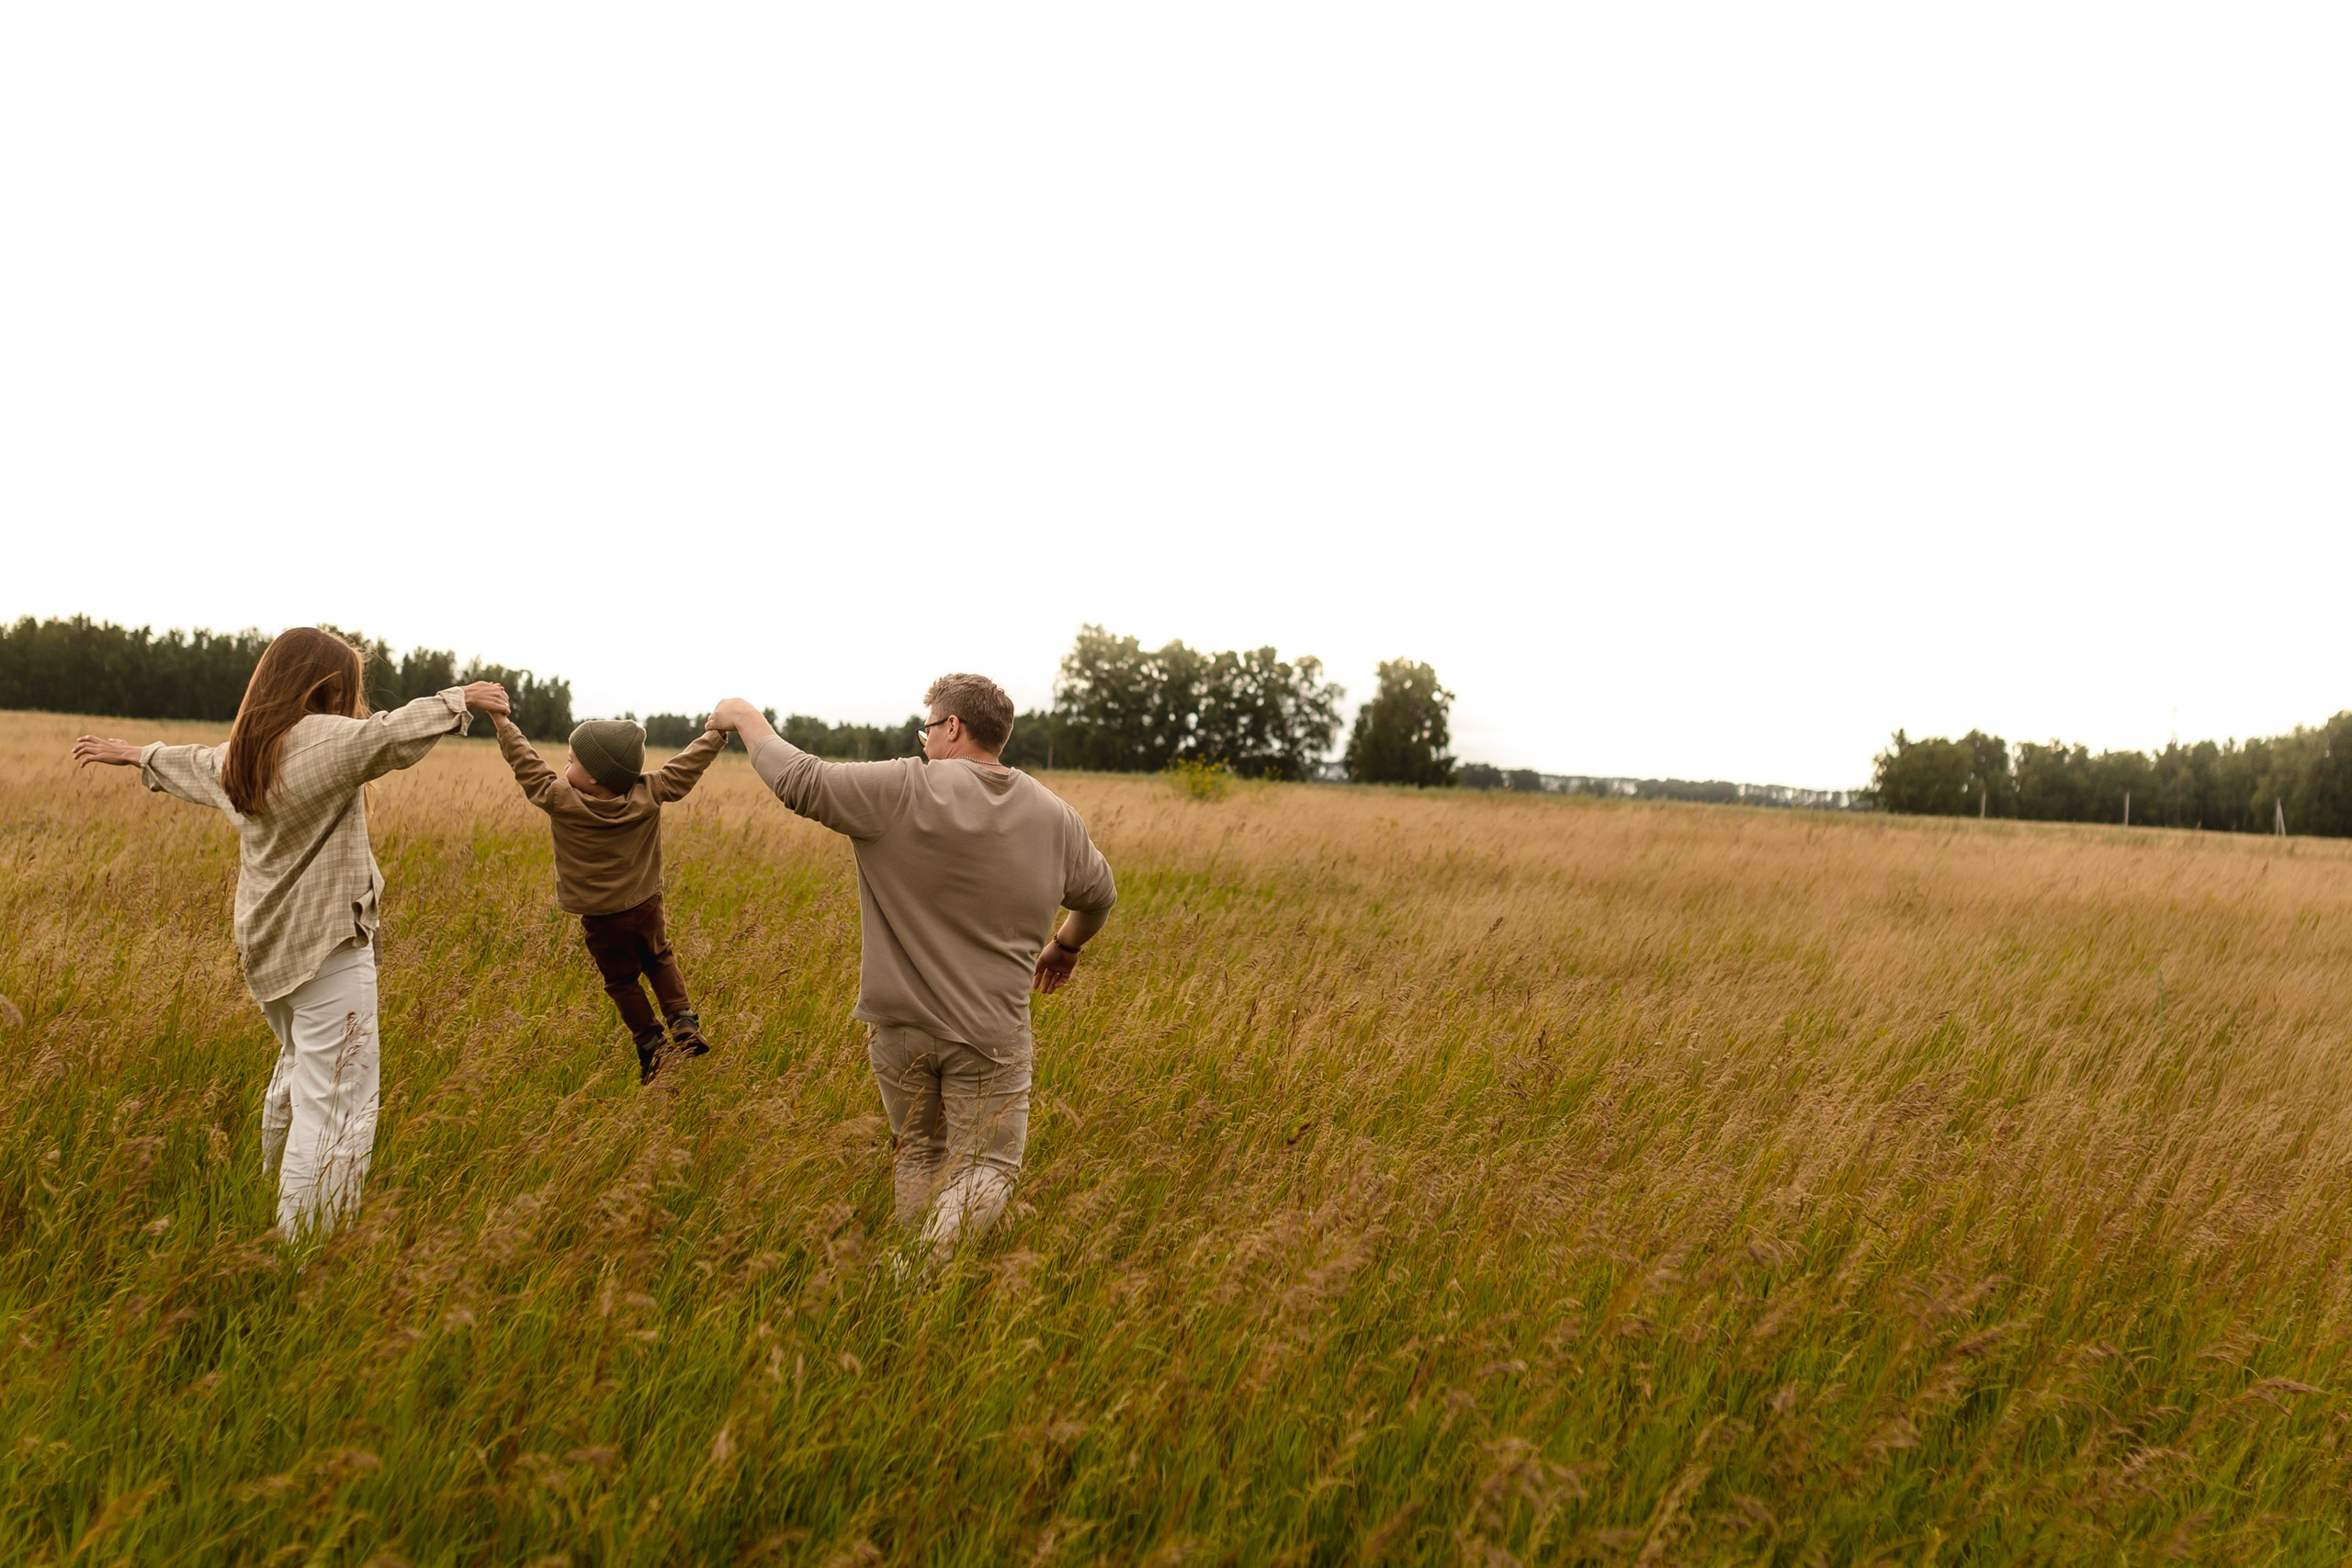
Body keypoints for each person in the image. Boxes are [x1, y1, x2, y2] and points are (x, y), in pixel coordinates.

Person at [72, 627, 507, 1240]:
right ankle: (306, 1255)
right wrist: (456, 699)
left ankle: (266, 1196)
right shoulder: (319, 740)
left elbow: (196, 765)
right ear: (329, 685)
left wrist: (139, 755)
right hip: (326, 952)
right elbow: (386, 738)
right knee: (337, 1109)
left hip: (271, 956)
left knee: (302, 1075)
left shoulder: (249, 751)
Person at [706, 673, 1116, 1265]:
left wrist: (743, 715)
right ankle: (919, 1271)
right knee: (990, 1165)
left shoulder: (900, 789)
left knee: (919, 1153)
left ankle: (910, 1273)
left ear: (953, 727)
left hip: (897, 1030)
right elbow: (1098, 898)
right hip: (989, 1035)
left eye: (927, 728)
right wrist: (1067, 947)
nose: (923, 741)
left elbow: (799, 780)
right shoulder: (1057, 817)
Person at [492, 711, 728, 1083]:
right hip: (646, 905)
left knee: (621, 981)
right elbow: (684, 769)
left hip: (601, 918)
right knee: (659, 956)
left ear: (595, 776)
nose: (563, 767)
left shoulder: (560, 797)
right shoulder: (650, 792)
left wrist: (502, 723)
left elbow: (526, 763)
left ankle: (650, 1041)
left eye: (571, 761)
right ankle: (682, 1019)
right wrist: (714, 737)